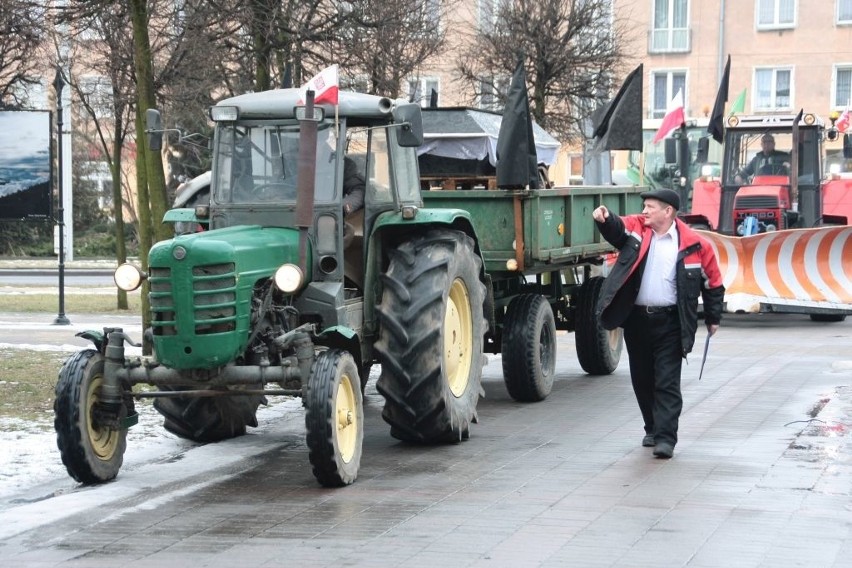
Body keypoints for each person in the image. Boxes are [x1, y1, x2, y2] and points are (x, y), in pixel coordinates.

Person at [592, 188, 725, 459]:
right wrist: (605, 219)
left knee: (667, 381)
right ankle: (652, 427)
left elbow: (713, 283)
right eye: (644, 206)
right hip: (637, 320)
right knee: (642, 379)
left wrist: (713, 318)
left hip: (671, 323)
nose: (644, 211)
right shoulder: (638, 232)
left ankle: (666, 439)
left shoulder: (695, 245)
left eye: (650, 206)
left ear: (668, 211)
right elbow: (619, 228)